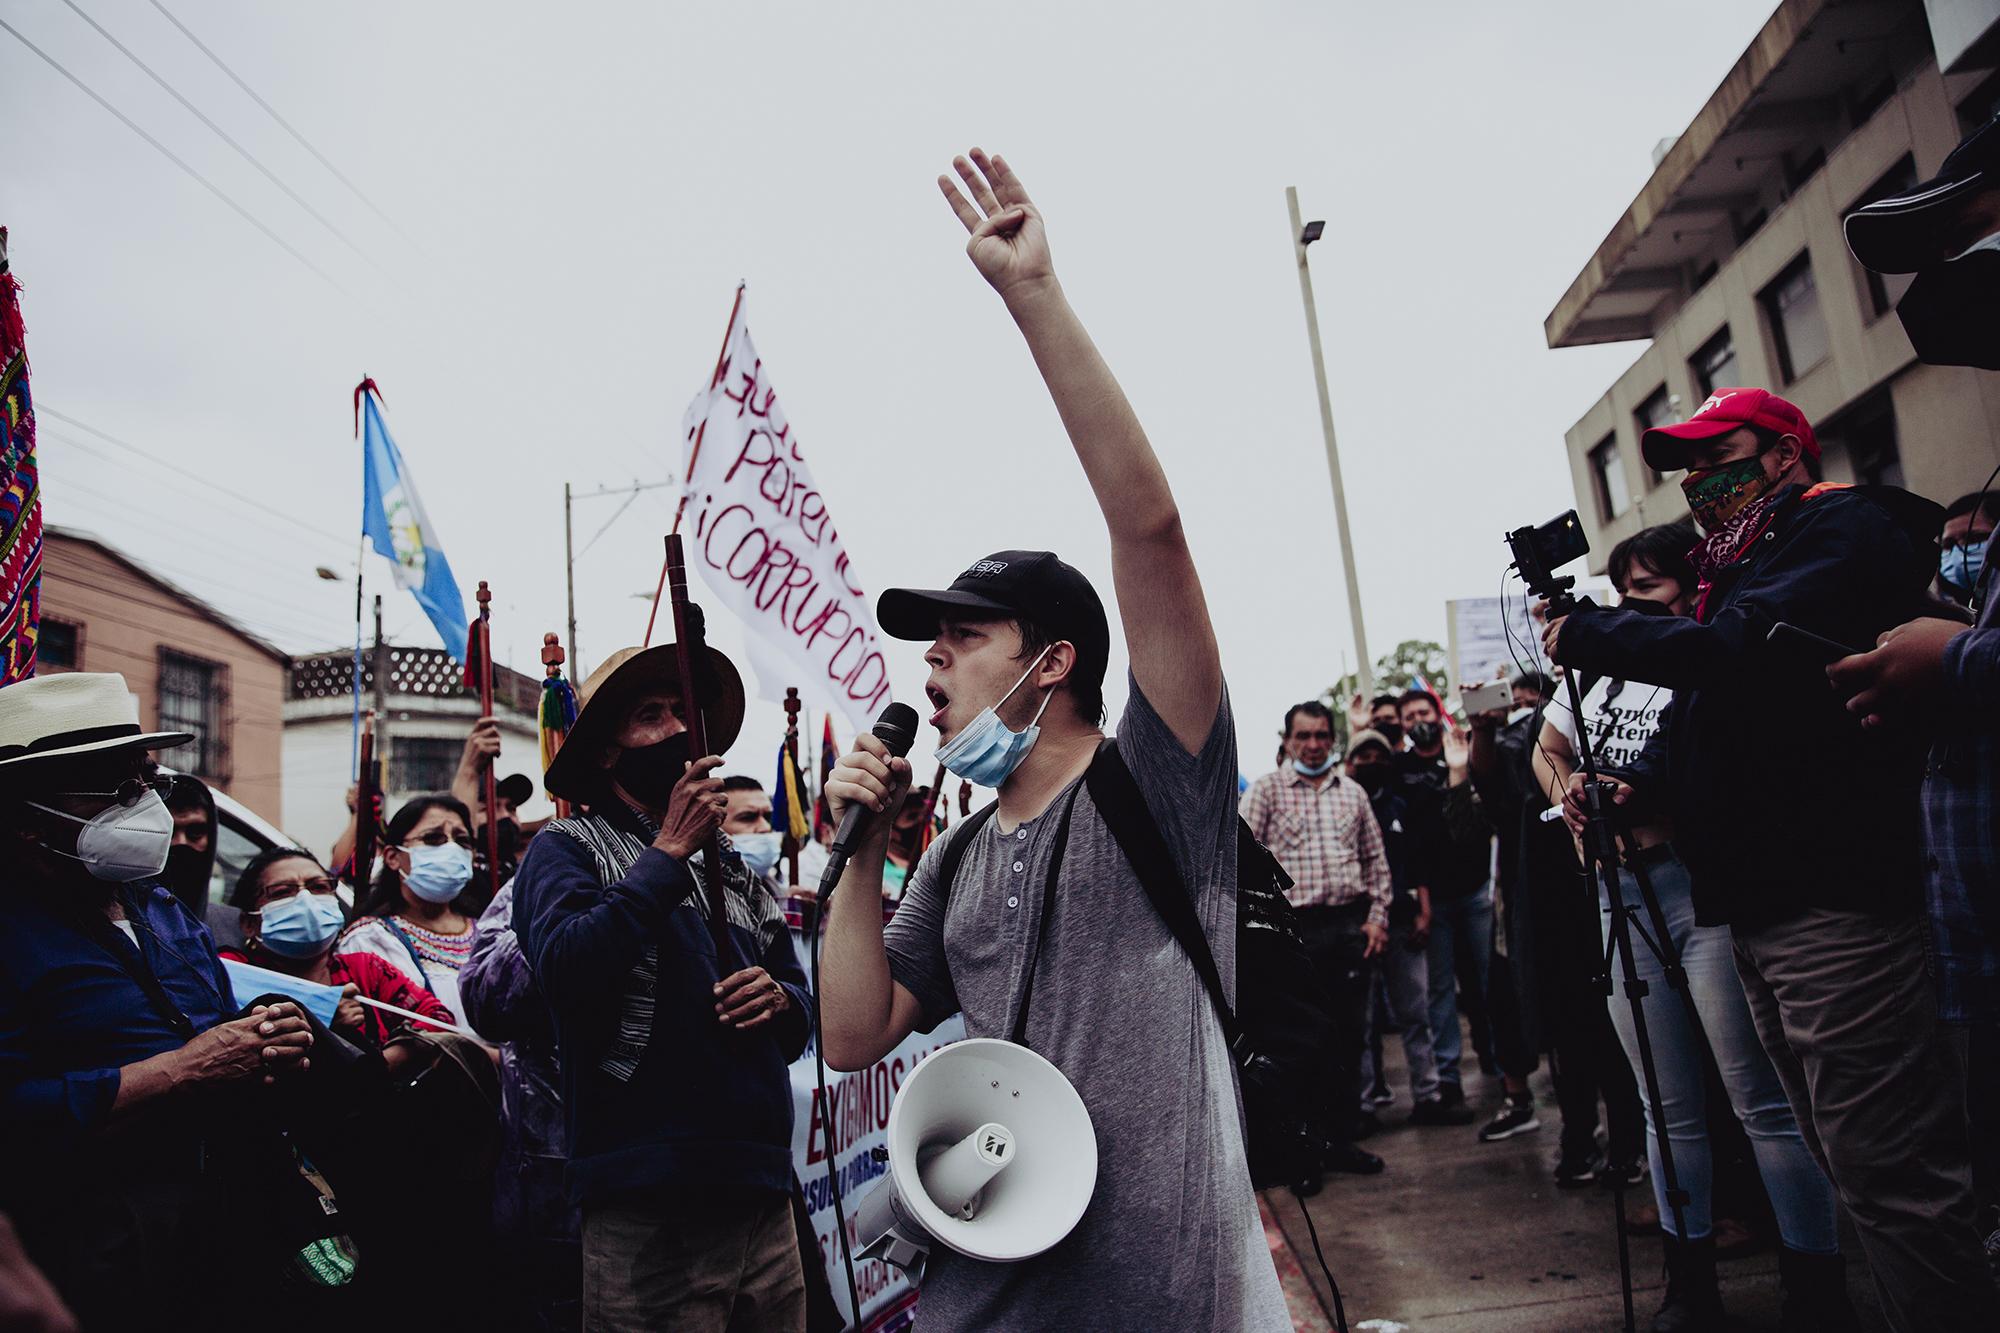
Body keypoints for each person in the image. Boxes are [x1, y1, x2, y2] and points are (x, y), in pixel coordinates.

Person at [819, 147, 1289, 1329]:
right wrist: (858, 853)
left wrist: (1032, 299)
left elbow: (1150, 530)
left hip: (1155, 1288)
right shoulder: (956, 854)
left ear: (1053, 661)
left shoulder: (1158, 783)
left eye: (962, 636)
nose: (930, 660)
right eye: (926, 642)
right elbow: (849, 1031)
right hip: (983, 1292)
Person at [1548, 387, 1995, 1327]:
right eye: (1689, 465)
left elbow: (1738, 653)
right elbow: (1723, 707)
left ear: (1787, 452)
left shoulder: (1839, 530)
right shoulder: (1739, 561)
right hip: (1759, 904)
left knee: (1895, 1173)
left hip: (1836, 901)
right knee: (1852, 1164)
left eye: (1724, 454)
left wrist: (1591, 630)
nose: (1701, 479)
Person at [1536, 520, 1849, 1329]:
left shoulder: (1708, 656)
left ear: (1689, 585)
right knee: (1662, 1102)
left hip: (1694, 888)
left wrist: (1650, 789)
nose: (1630, 604)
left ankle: (1815, 1281)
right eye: (1623, 591)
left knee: (1760, 1097)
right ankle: (1690, 1281)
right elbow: (1546, 745)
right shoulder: (1603, 671)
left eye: (1649, 588)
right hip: (1618, 890)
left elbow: (1728, 764)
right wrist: (1573, 798)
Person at [0, 673, 325, 1328]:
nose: (150, 806)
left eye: (151, 781)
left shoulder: (162, 906)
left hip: (232, 1221)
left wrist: (267, 1037)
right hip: (98, 1254)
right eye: (121, 790)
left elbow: (216, 1030)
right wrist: (178, 1073)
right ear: (30, 821)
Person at [513, 642, 811, 1333]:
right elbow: (565, 967)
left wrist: (779, 998)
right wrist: (668, 852)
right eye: (650, 714)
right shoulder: (568, 847)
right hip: (649, 1197)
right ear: (608, 752)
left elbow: (798, 1009)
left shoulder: (738, 869)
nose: (677, 728)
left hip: (762, 1191)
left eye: (683, 712)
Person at [1831, 484, 2000, 1277]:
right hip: (1962, 926)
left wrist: (1953, 656)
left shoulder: (1953, 634)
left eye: (1976, 539)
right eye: (1952, 543)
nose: (1959, 554)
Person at [1473, 669, 1643, 1185]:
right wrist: (1483, 730)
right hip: (1547, 907)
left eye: (1533, 699)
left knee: (1618, 1025)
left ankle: (1626, 1145)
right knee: (1565, 1028)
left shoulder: (1608, 720)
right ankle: (1577, 1136)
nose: (1526, 707)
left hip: (1609, 891)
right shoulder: (1522, 748)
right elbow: (1488, 787)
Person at [1242, 701, 1393, 1189]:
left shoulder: (1352, 793)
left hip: (1347, 929)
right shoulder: (1265, 792)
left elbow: (1376, 861)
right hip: (1292, 935)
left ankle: (1342, 1140)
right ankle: (1303, 1154)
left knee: (1349, 1037)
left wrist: (1377, 919)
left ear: (1333, 739)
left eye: (1322, 735)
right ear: (1286, 740)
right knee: (1297, 1043)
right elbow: (1238, 861)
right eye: (1303, 736)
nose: (1312, 745)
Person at [461, 879, 581, 1333]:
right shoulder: (539, 882)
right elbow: (487, 1001)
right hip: (555, 1164)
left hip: (697, 1164)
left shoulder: (719, 873)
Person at [1344, 729, 1466, 1132]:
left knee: (1416, 1014)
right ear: (1350, 762)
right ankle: (1361, 1104)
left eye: (1380, 754)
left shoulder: (1400, 805)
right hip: (1361, 925)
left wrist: (1425, 912)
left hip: (1404, 921)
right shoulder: (1345, 805)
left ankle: (1428, 1096)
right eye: (1364, 755)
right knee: (1361, 1024)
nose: (1372, 762)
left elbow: (1419, 863)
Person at [221, 847, 458, 1053]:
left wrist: (382, 1065)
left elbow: (438, 1019)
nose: (306, 900)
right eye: (283, 892)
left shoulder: (365, 970)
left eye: (319, 887)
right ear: (249, 923)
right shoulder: (229, 972)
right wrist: (321, 1014)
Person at [1399, 689, 1509, 1112]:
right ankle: (1448, 1079)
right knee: (1440, 992)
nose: (1416, 720)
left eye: (1423, 711)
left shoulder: (1459, 750)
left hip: (1476, 887)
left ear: (1437, 712)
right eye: (1409, 716)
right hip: (1435, 899)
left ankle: (1503, 1067)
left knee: (1489, 983)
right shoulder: (1402, 769)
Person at [339, 795, 482, 1029]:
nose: (451, 848)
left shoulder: (489, 930)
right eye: (433, 838)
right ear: (394, 857)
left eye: (462, 840)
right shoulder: (369, 940)